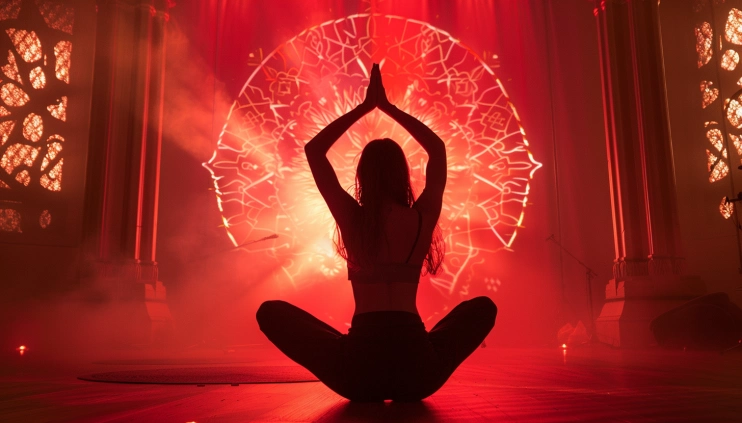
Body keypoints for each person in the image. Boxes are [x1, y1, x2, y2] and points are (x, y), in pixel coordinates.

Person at [256, 63, 497, 402]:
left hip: (358, 374)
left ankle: (356, 356)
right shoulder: (421, 217)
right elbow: (438, 151)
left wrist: (364, 108)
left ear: (362, 177)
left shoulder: (353, 221)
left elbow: (314, 151)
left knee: (271, 311)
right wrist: (390, 108)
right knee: (483, 307)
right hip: (418, 373)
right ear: (402, 174)